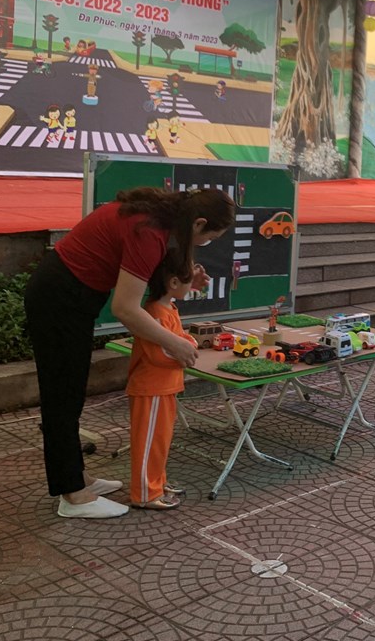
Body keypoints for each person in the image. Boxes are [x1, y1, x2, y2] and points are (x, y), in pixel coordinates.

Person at [24, 186, 235, 518]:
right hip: (59, 297)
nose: (207, 243)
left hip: (71, 295)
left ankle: (77, 478)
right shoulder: (148, 230)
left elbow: (151, 277)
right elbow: (125, 307)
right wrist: (174, 342)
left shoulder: (158, 220)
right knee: (62, 395)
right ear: (199, 223)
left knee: (71, 393)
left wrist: (185, 281)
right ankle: (72, 496)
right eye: (211, 236)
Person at [127, 248, 195, 510]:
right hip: (151, 388)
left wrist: (186, 343)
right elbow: (162, 353)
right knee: (149, 443)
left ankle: (156, 483)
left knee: (159, 441)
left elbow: (177, 340)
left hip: (162, 387)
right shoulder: (155, 312)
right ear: (174, 282)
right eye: (189, 279)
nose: (192, 285)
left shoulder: (167, 308)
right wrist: (187, 347)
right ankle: (145, 493)